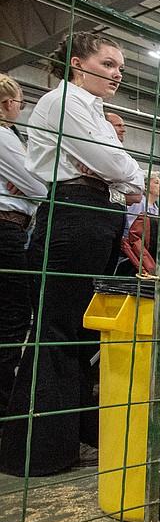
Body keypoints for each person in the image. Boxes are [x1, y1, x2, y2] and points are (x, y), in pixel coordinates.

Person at [1, 32, 145, 476]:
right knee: (58, 330)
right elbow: (120, 167)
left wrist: (114, 169)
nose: (117, 73)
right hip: (73, 213)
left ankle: (76, 435)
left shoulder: (92, 110)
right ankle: (38, 452)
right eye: (108, 64)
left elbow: (132, 179)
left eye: (120, 66)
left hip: (94, 214)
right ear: (78, 65)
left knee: (79, 333)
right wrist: (114, 169)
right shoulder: (63, 101)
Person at [0, 75, 47, 414]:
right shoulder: (4, 136)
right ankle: (5, 408)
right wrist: (31, 184)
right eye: (18, 102)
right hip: (7, 229)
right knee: (14, 316)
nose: (20, 107)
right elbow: (40, 186)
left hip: (14, 227)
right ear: (6, 103)